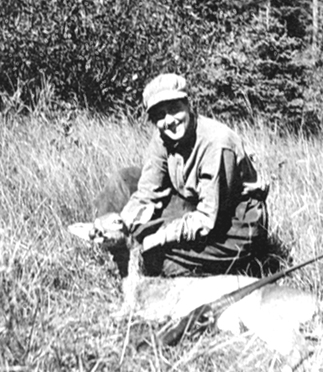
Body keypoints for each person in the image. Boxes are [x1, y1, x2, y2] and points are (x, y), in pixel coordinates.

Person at [95, 73, 270, 277]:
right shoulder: (163, 137)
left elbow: (206, 219)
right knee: (125, 179)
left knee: (157, 256)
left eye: (174, 109)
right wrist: (122, 222)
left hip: (236, 224)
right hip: (194, 204)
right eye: (160, 115)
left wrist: (159, 237)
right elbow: (147, 191)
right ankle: (117, 252)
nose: (169, 120)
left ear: (189, 105)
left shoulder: (216, 144)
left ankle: (240, 267)